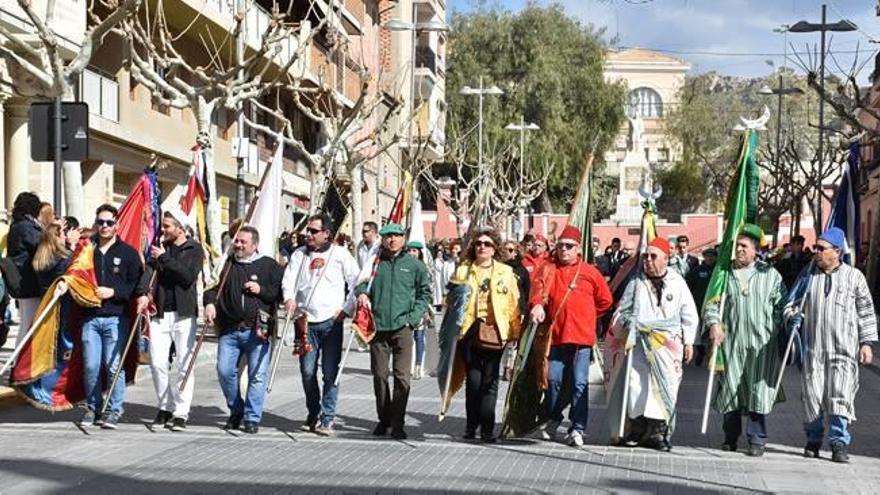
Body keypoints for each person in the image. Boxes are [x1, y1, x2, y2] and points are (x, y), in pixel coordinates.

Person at [783, 227, 877, 463]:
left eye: (821, 249)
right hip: (814, 350)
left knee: (840, 395)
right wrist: (792, 316)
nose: (817, 252)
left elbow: (866, 313)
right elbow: (790, 303)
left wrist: (866, 343)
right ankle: (813, 440)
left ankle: (838, 443)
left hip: (844, 350)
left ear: (836, 251)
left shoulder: (855, 277)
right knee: (812, 396)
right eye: (816, 248)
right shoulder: (808, 275)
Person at [608, 237, 698, 451]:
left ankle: (658, 432)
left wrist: (689, 342)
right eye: (645, 256)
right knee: (636, 384)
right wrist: (626, 323)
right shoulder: (636, 283)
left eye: (653, 256)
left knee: (665, 384)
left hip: (668, 345)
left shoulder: (678, 283)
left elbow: (689, 314)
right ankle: (637, 429)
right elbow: (621, 311)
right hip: (639, 343)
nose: (647, 260)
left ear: (666, 259)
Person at [704, 224, 787, 457]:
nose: (739, 250)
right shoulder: (724, 275)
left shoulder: (770, 275)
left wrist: (779, 323)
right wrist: (714, 324)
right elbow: (711, 304)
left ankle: (757, 439)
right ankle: (730, 437)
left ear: (755, 250)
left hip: (762, 346)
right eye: (737, 245)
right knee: (731, 390)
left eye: (744, 246)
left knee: (756, 391)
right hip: (731, 345)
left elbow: (783, 304)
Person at [530, 225, 613, 448]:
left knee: (579, 384)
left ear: (578, 249)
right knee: (554, 380)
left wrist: (587, 316)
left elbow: (605, 300)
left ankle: (577, 427)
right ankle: (554, 418)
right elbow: (537, 289)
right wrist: (537, 304)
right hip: (555, 338)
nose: (564, 250)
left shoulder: (590, 272)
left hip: (581, 340)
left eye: (569, 246)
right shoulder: (548, 269)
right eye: (560, 246)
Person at [282, 214, 359, 436]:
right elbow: (288, 279)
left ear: (326, 233)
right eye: (308, 230)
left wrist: (347, 309)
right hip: (305, 320)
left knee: (329, 372)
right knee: (307, 372)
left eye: (314, 231)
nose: (309, 234)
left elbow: (356, 282)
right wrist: (289, 298)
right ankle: (313, 411)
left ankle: (328, 417)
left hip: (331, 322)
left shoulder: (341, 254)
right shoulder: (299, 255)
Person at [355, 223, 431, 440]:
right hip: (378, 328)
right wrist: (361, 293)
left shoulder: (414, 265)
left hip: (402, 327)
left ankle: (398, 422)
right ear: (383, 238)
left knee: (402, 377)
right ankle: (384, 418)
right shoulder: (375, 261)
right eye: (388, 236)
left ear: (403, 239)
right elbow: (361, 282)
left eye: (397, 236)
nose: (392, 240)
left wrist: (413, 317)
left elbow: (424, 293)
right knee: (379, 375)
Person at [205, 225, 282, 434]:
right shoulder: (226, 264)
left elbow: (279, 294)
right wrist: (209, 303)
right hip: (230, 330)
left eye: (242, 242)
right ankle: (236, 409)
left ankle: (252, 417)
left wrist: (261, 290)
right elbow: (212, 288)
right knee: (224, 371)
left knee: (257, 375)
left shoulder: (268, 265)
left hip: (258, 329)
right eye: (236, 241)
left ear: (254, 245)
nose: (237, 245)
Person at [135, 210, 204, 432]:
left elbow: (187, 276)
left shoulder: (193, 249)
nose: (163, 230)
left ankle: (181, 411)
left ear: (180, 228)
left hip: (184, 313)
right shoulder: (159, 249)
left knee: (185, 362)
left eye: (167, 227)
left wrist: (163, 257)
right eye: (162, 226)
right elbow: (148, 275)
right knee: (157, 362)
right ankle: (165, 405)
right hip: (160, 312)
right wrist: (143, 293)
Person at [451, 229, 521, 442]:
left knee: (489, 382)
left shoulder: (505, 272)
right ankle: (472, 425)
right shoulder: (463, 271)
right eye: (479, 243)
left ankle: (487, 429)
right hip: (469, 331)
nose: (482, 247)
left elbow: (513, 304)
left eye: (487, 244)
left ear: (494, 249)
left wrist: (515, 331)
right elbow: (450, 302)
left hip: (495, 331)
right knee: (473, 381)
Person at [79, 204, 143, 429]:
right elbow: (74, 275)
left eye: (109, 223)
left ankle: (114, 410)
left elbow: (136, 284)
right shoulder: (86, 250)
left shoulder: (128, 253)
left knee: (114, 365)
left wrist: (114, 292)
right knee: (91, 365)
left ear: (117, 225)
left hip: (116, 317)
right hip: (90, 316)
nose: (104, 227)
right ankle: (93, 408)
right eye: (100, 222)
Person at [7, 192, 44, 334]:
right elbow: (40, 246)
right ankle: (23, 356)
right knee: (30, 327)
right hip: (30, 281)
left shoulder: (17, 225)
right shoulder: (27, 227)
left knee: (25, 325)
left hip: (23, 281)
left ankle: (20, 356)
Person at [500, 240, 530, 381]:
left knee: (513, 341)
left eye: (511, 250)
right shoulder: (498, 268)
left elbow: (526, 291)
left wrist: (524, 310)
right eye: (505, 249)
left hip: (517, 309)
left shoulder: (521, 270)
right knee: (501, 339)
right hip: (501, 309)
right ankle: (500, 365)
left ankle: (509, 368)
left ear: (516, 252)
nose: (508, 252)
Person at [405, 240, 432, 380]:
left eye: (414, 250)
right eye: (409, 250)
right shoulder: (402, 266)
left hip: (419, 307)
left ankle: (418, 365)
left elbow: (427, 291)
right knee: (406, 338)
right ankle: (406, 365)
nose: (411, 253)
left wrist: (426, 309)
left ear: (420, 252)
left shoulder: (423, 268)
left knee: (419, 337)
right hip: (405, 308)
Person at [686, 247, 717, 366]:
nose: (709, 258)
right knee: (698, 331)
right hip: (698, 306)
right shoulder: (697, 270)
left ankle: (711, 354)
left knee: (711, 332)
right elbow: (688, 285)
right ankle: (700, 352)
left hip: (714, 306)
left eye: (712, 256)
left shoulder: (718, 271)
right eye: (707, 256)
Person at [32, 223, 73, 293]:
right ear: (57, 237)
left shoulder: (38, 259)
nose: (65, 237)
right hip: (61, 299)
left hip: (45, 298)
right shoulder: (64, 259)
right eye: (64, 235)